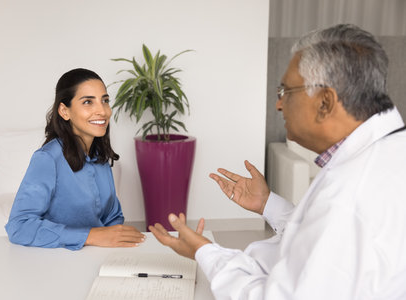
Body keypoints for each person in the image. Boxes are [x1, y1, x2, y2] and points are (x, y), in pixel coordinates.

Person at [149, 24, 406, 299]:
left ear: (324, 102)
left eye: (285, 91)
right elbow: (316, 242)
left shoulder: (349, 193)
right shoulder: (385, 152)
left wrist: (204, 252)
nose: (278, 105)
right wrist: (267, 203)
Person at [5, 68, 145, 250]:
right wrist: (91, 236)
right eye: (88, 102)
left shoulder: (100, 157)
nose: (102, 111)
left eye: (105, 101)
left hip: (97, 257)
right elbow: (19, 226)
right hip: (57, 261)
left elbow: (112, 217)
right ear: (64, 111)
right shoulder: (47, 159)